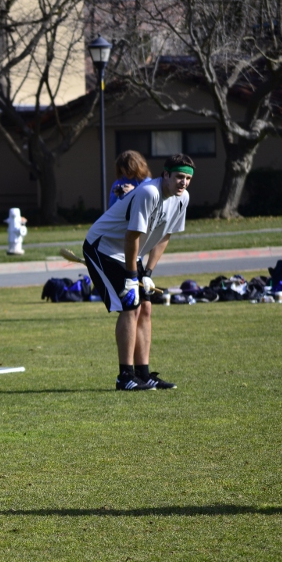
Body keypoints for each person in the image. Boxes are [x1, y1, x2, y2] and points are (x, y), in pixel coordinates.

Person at [83, 153, 194, 391]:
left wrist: (148, 273)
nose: (183, 182)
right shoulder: (149, 193)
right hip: (103, 248)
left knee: (146, 307)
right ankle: (125, 376)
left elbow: (165, 235)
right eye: (178, 177)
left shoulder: (182, 198)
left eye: (187, 178)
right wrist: (133, 277)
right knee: (130, 305)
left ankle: (144, 374)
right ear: (166, 175)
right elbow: (131, 236)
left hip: (130, 252)